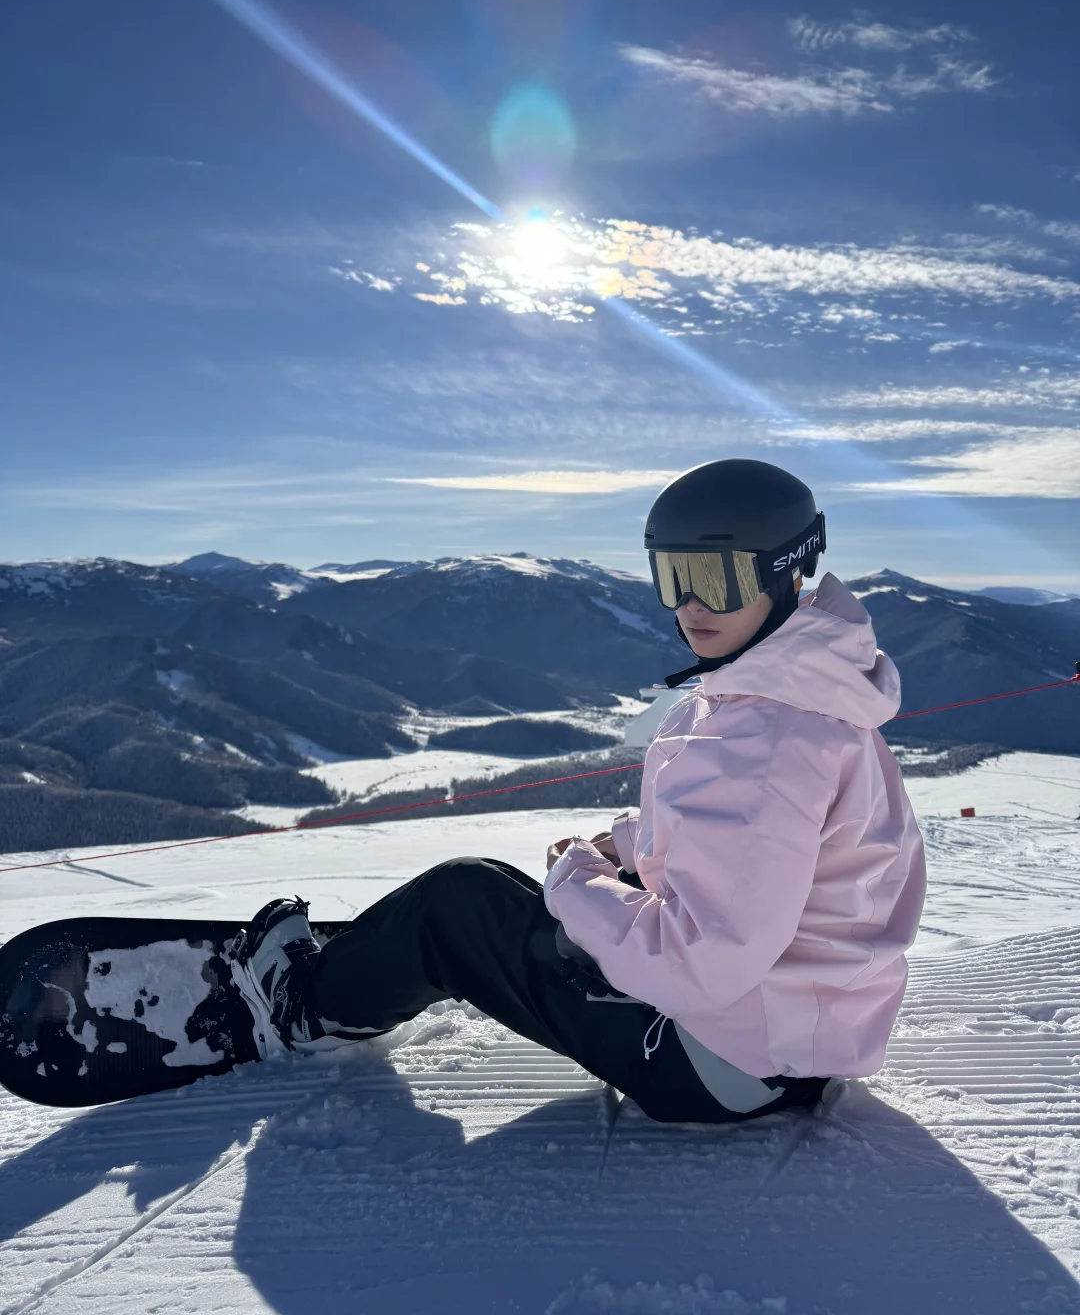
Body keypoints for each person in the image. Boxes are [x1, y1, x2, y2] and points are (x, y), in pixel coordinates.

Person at [229, 459, 926, 1123]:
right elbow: (767, 844)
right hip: (797, 1041)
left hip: (714, 1064)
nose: (691, 604)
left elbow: (698, 964)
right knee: (517, 899)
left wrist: (576, 878)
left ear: (787, 571)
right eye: (674, 576)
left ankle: (306, 1008)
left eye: (718, 578)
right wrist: (624, 848)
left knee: (459, 903)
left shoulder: (763, 738)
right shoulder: (814, 702)